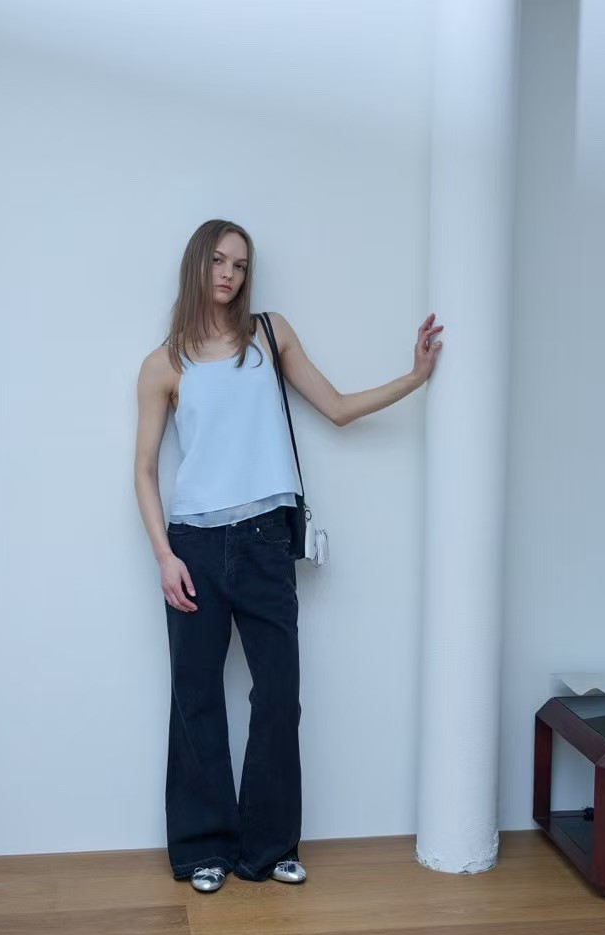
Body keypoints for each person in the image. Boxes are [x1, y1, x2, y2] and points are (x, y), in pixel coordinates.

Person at [134, 219, 443, 893]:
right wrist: (163, 555)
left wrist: (415, 377)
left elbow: (337, 407)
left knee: (278, 695)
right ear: (197, 264)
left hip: (266, 539)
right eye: (219, 261)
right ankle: (202, 849)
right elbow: (144, 470)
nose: (230, 274)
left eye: (240, 265)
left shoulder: (269, 335)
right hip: (194, 545)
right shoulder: (163, 364)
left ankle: (269, 848)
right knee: (195, 696)